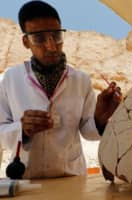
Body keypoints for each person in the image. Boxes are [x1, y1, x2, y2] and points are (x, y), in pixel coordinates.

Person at [0, 0, 121, 179]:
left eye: (56, 36)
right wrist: (22, 129)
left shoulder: (81, 80)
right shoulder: (10, 79)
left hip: (71, 179)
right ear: (26, 42)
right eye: (39, 38)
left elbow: (88, 132)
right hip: (27, 180)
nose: (51, 46)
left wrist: (99, 119)